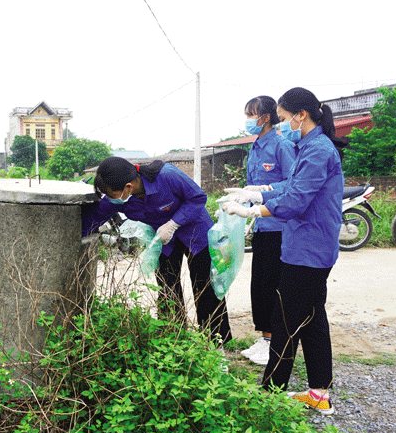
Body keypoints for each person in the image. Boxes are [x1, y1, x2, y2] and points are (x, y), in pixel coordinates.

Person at [222, 87, 343, 415]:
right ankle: (319, 393)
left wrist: (251, 210)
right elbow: (291, 185)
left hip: (308, 248)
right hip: (307, 247)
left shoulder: (318, 149)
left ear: (301, 115)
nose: (283, 123)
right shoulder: (310, 146)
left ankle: (270, 393)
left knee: (288, 320)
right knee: (312, 319)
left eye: (285, 118)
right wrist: (259, 191)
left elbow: (295, 200)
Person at [83, 157, 232, 344]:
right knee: (167, 287)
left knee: (205, 287)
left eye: (112, 194)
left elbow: (198, 198)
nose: (111, 199)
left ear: (128, 186)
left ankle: (216, 344)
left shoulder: (167, 175)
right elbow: (95, 218)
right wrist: (74, 235)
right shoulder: (118, 199)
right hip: (163, 239)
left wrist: (173, 223)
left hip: (196, 231)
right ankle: (173, 339)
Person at [238, 96, 296, 365]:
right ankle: (264, 338)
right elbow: (252, 183)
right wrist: (240, 199)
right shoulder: (256, 147)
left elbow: (294, 183)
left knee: (272, 284)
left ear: (266, 118)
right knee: (259, 285)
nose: (249, 120)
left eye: (252, 114)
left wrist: (264, 191)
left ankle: (274, 341)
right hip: (260, 224)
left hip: (278, 226)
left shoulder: (281, 145)